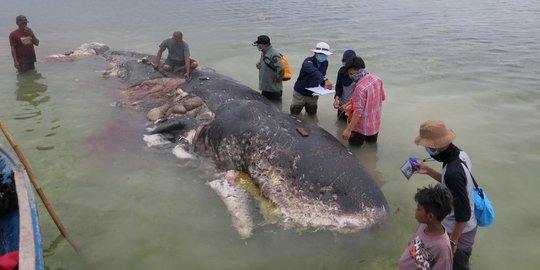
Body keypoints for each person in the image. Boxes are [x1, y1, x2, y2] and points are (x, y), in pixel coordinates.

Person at [413, 120, 478, 270]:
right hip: (463, 224)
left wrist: (452, 243)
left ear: (435, 146)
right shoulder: (460, 155)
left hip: (460, 231)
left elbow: (464, 214)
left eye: (426, 145)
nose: (425, 148)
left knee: (456, 265)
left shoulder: (452, 173)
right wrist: (428, 171)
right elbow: (453, 185)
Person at [399, 184, 454, 270]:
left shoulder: (442, 248)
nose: (416, 211)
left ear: (430, 216)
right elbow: (412, 242)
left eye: (419, 209)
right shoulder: (424, 225)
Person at [341, 56, 385, 147]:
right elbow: (382, 97)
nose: (350, 76)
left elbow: (358, 112)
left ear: (359, 70)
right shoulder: (377, 79)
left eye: (352, 73)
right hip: (374, 125)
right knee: (372, 148)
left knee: (353, 151)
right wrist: (352, 102)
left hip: (360, 128)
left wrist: (348, 130)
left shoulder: (360, 88)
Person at [290, 42, 333, 115]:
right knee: (294, 113)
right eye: (321, 54)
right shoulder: (308, 61)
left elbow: (321, 75)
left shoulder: (325, 63)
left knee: (312, 113)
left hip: (313, 93)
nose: (323, 56)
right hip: (300, 92)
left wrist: (324, 84)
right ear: (315, 53)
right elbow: (314, 71)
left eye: (325, 54)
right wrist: (325, 79)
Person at [253, 35, 284, 100]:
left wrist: (278, 78)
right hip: (265, 87)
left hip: (273, 90)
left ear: (263, 45)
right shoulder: (264, 52)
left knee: (275, 107)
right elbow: (267, 63)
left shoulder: (274, 54)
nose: (257, 46)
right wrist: (259, 64)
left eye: (258, 44)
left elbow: (281, 68)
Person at [333, 49, 356, 121]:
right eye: (344, 61)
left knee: (351, 127)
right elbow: (338, 87)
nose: (346, 63)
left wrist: (348, 105)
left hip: (353, 107)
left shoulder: (358, 75)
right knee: (340, 124)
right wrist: (336, 99)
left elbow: (359, 95)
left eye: (348, 62)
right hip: (342, 105)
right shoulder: (341, 71)